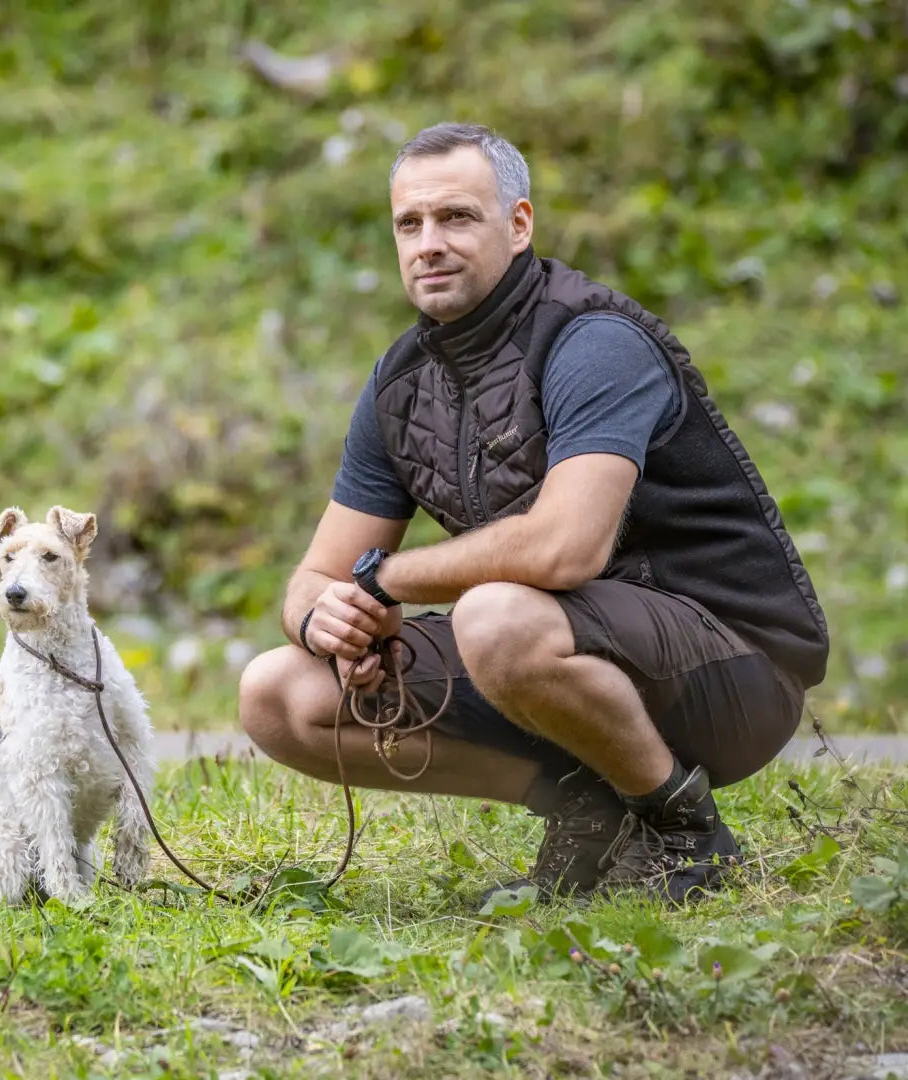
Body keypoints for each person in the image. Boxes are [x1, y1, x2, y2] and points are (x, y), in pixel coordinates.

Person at [238, 123, 829, 904]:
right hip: (559, 646)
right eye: (408, 224)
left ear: (518, 226)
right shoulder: (400, 384)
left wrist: (385, 581)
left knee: (496, 618)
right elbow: (315, 575)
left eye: (457, 217)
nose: (429, 244)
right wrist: (328, 619)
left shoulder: (593, 341)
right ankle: (589, 809)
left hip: (733, 664)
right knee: (280, 694)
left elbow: (564, 551)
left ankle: (684, 829)